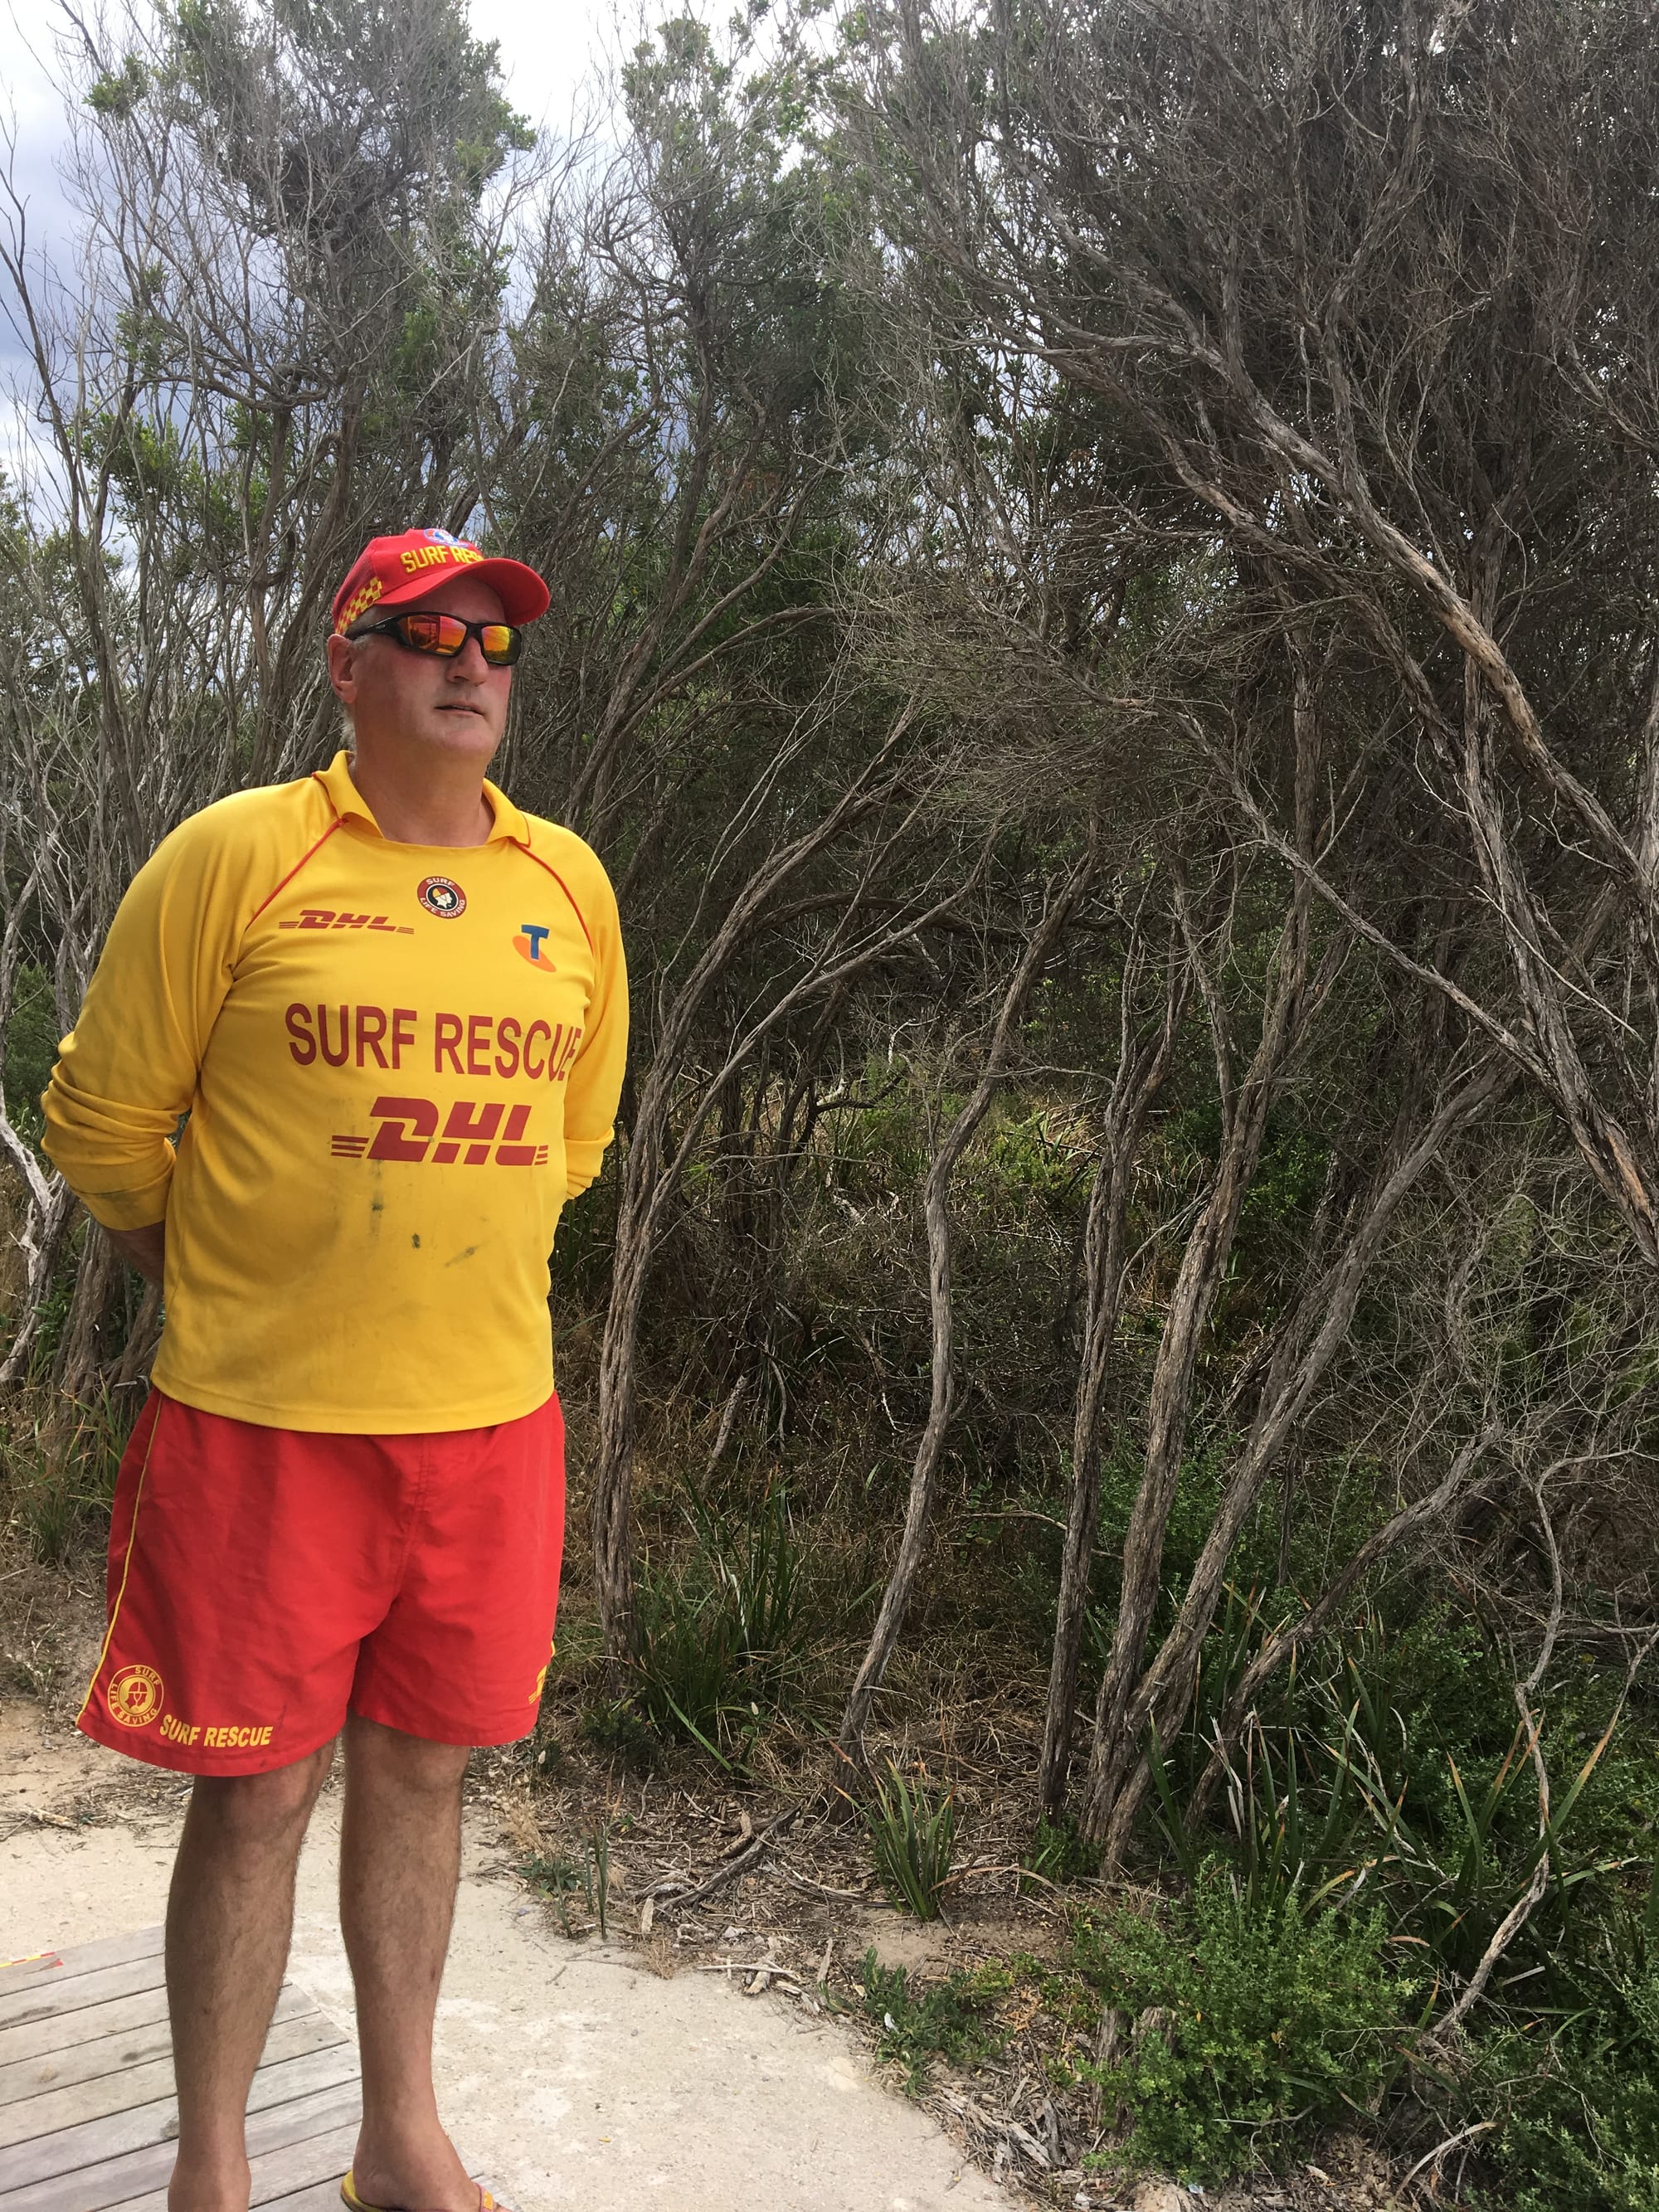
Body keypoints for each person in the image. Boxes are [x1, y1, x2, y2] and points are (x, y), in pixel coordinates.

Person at [41, 526, 627, 2212]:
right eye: (426, 631)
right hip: (263, 1428)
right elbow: (100, 1120)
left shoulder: (565, 885)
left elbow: (573, 1141)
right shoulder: (241, 854)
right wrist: (214, 1264)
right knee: (253, 1794)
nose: (467, 661)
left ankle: (398, 2131)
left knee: (424, 1769)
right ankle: (210, 2167)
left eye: (495, 641)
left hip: (488, 1423)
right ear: (344, 662)